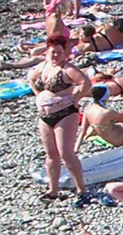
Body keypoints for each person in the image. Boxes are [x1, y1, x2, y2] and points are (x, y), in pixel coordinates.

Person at [28, 37, 89, 202]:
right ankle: (53, 190)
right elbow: (31, 79)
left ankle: (81, 188)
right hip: (45, 116)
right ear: (47, 51)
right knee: (51, 154)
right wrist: (38, 96)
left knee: (66, 153)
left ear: (65, 52)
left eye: (59, 52)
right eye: (53, 52)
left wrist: (75, 98)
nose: (56, 55)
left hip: (66, 113)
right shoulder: (42, 67)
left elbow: (85, 83)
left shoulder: (68, 69)